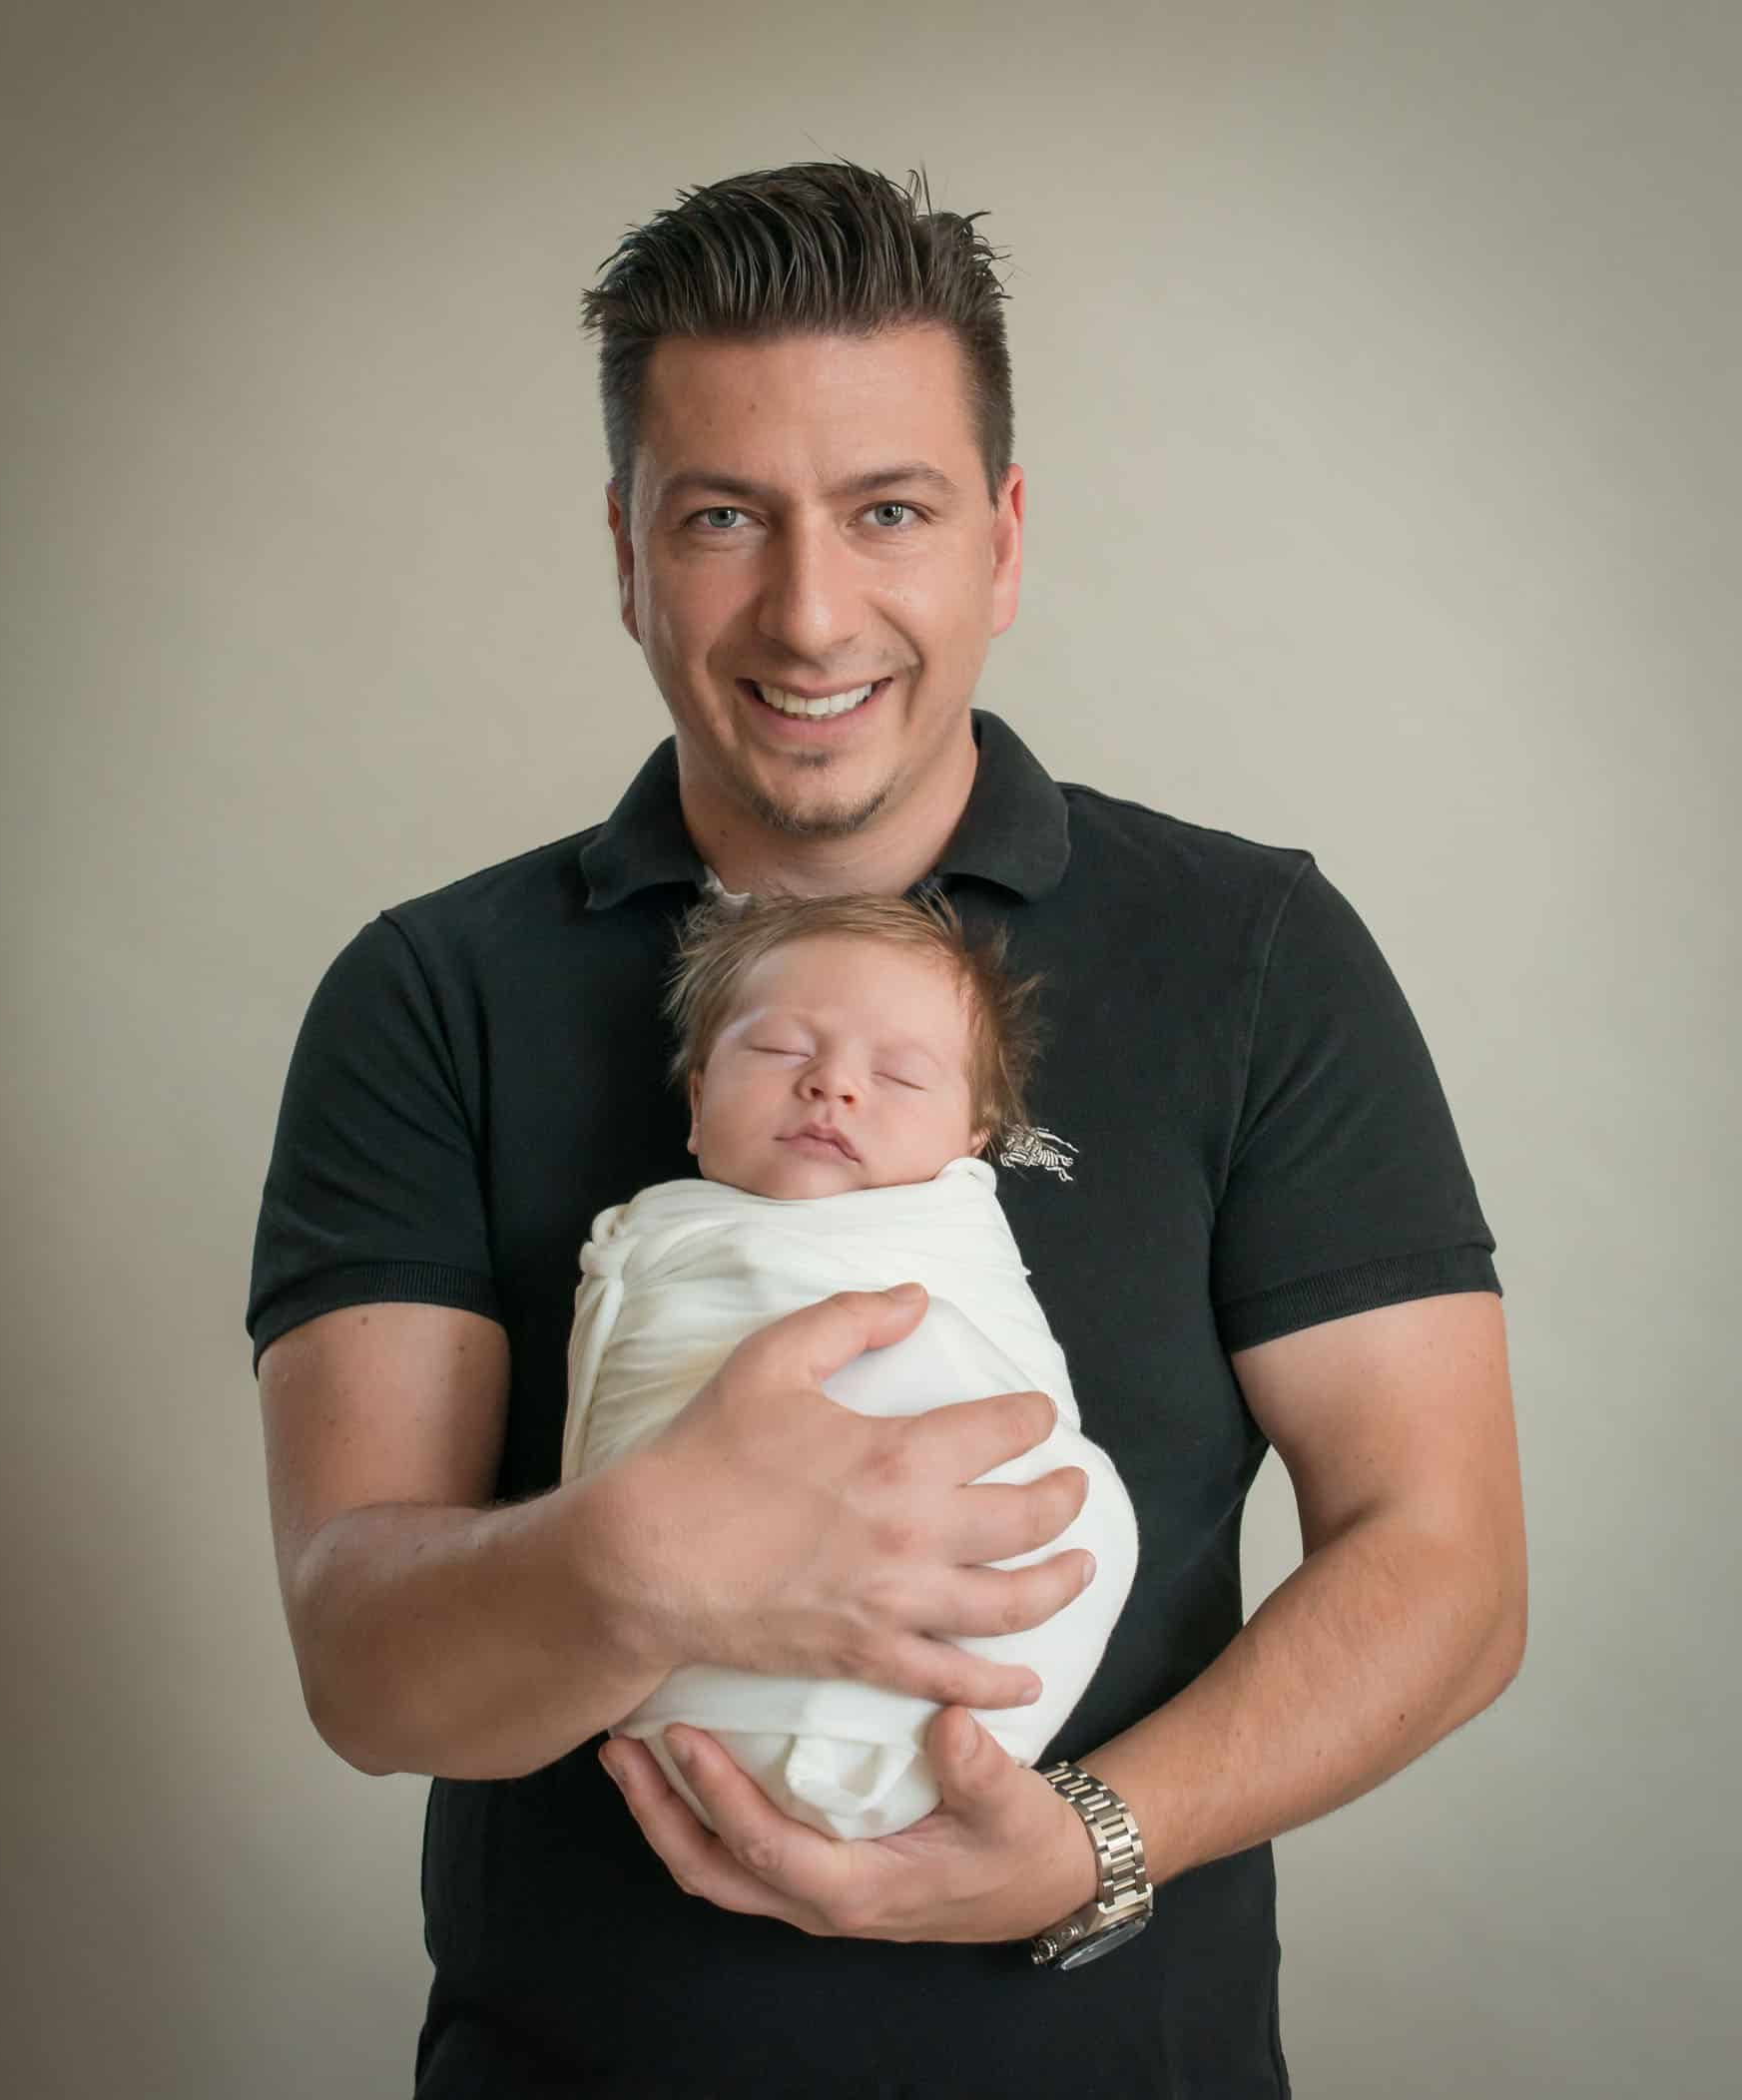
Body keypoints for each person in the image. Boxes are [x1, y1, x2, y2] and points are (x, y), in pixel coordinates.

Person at [249, 161, 1526, 2097]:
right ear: (623, 549)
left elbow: (1445, 1555)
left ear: (1003, 540)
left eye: (890, 509)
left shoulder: (1254, 953)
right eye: (722, 518)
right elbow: (364, 1660)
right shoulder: (433, 992)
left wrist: (1085, 1839)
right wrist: (643, 1565)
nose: (810, 606)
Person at [567, 890, 1141, 1841]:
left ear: (969, 1147)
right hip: (672, 1695)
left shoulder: (950, 1241)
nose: (832, 1085)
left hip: (947, 1708)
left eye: (903, 1077)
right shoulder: (654, 1241)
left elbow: (1021, 1424)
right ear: (698, 1098)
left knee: (1084, 1505)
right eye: (781, 1050)